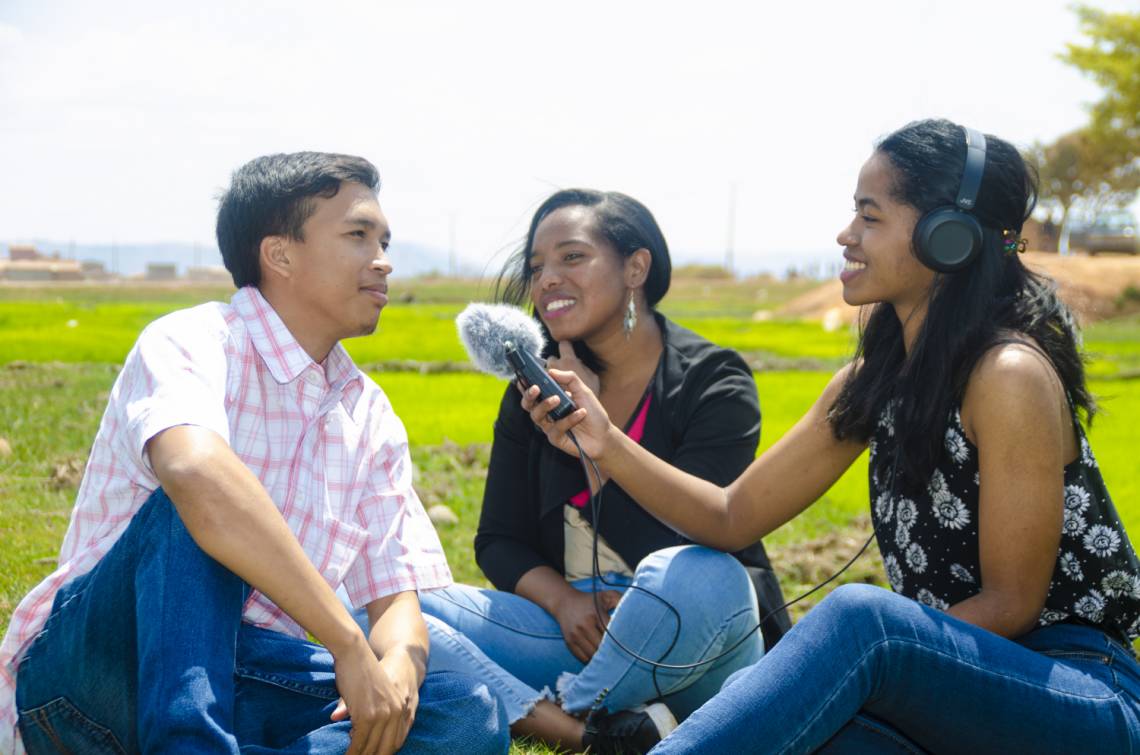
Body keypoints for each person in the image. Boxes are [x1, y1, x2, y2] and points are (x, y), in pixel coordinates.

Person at [525, 121, 1140, 753]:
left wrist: (863, 663)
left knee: (858, 621)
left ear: (946, 238)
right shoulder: (874, 382)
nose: (847, 235)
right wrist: (603, 440)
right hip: (945, 688)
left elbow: (1010, 605)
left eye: (870, 217)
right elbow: (732, 515)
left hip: (1078, 690)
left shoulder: (1008, 376)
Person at [0, 152, 508, 754]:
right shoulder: (192, 340)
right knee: (197, 504)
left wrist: (398, 664)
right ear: (280, 255)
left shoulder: (370, 415)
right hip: (104, 669)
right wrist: (348, 643)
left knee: (466, 714)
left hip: (252, 677)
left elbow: (396, 592)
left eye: (385, 240)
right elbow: (194, 473)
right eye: (357, 235)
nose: (384, 260)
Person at [412, 188, 789, 754]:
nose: (546, 281)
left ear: (636, 267)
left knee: (701, 575)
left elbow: (691, 536)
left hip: (689, 631)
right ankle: (595, 734)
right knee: (394, 608)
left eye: (571, 257)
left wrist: (595, 450)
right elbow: (497, 540)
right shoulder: (532, 391)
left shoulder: (714, 382)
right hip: (577, 628)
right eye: (536, 268)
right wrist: (564, 603)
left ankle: (568, 709)